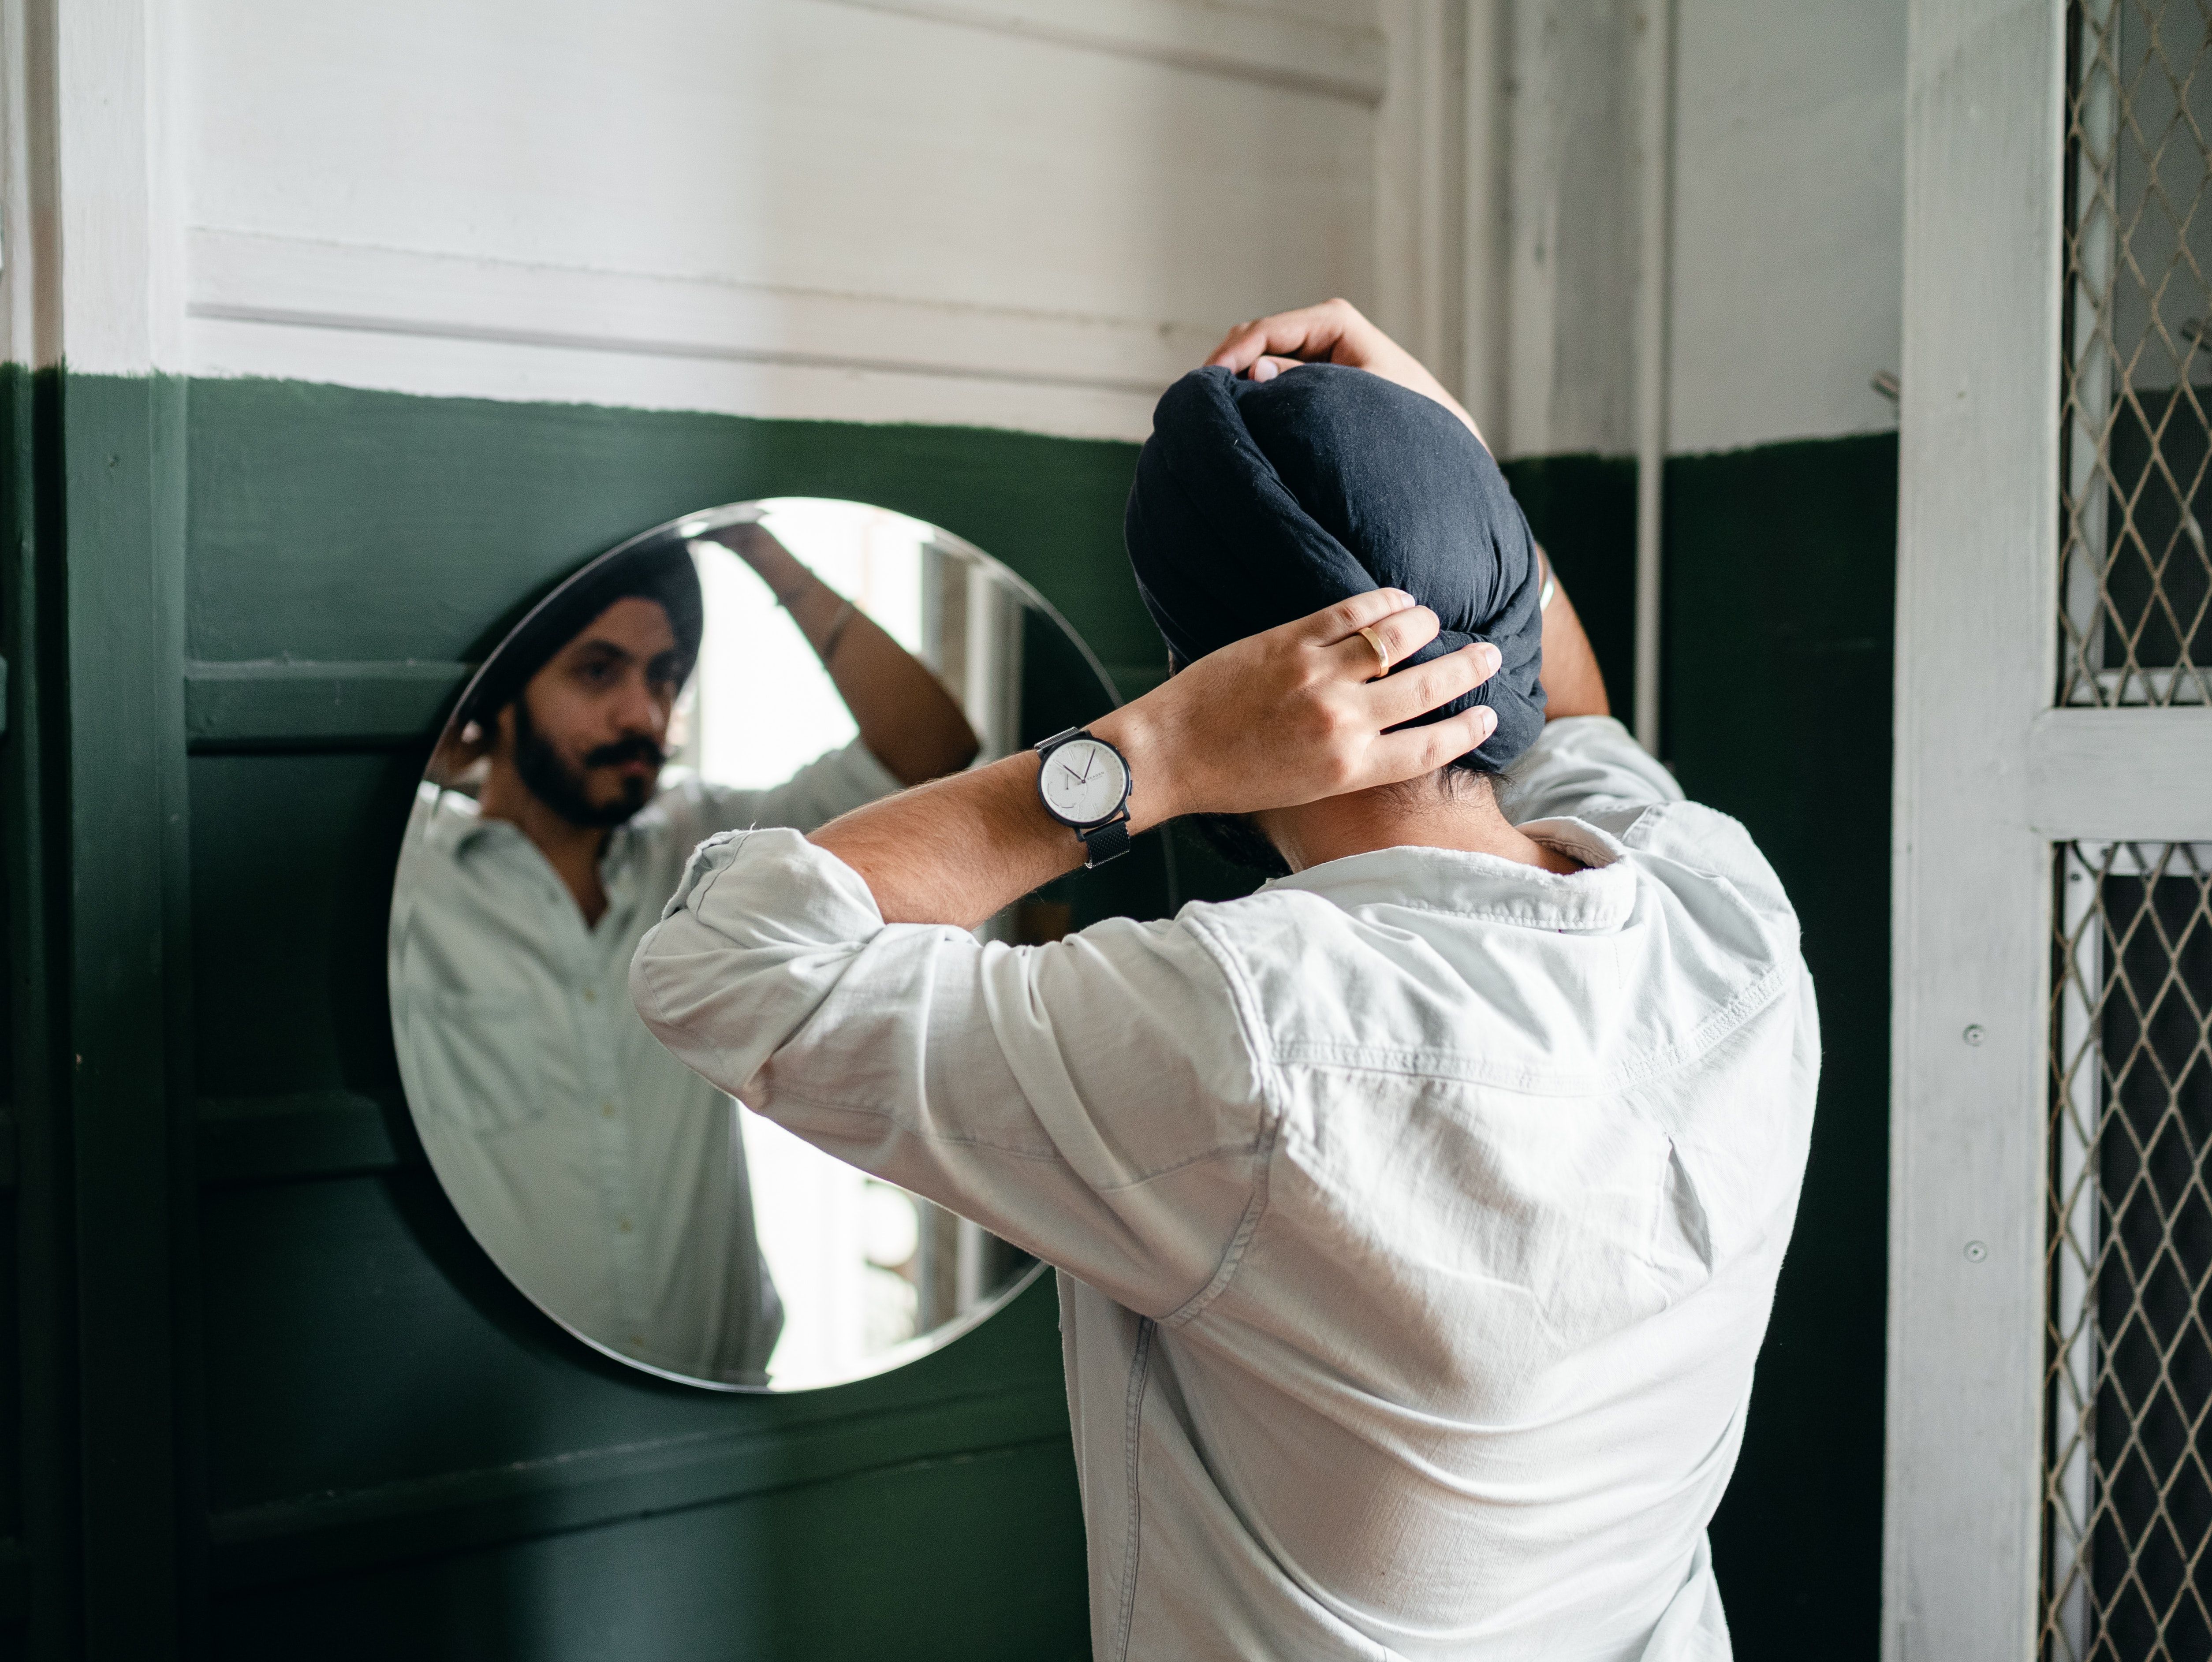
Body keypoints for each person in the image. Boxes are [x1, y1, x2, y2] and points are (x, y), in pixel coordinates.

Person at [631, 300, 1816, 1654]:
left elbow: (722, 964)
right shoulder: (1724, 911)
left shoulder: (1243, 1033)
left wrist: (1154, 754)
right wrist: (1442, 463)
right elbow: (1580, 722)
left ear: (1212, 675)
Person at [391, 518, 977, 1384]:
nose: (645, 714)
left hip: (727, 1406)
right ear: (505, 696)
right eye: (598, 672)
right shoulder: (412, 884)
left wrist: (762, 550)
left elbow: (930, 752)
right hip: (504, 1411)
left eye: (665, 676)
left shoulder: (708, 850)